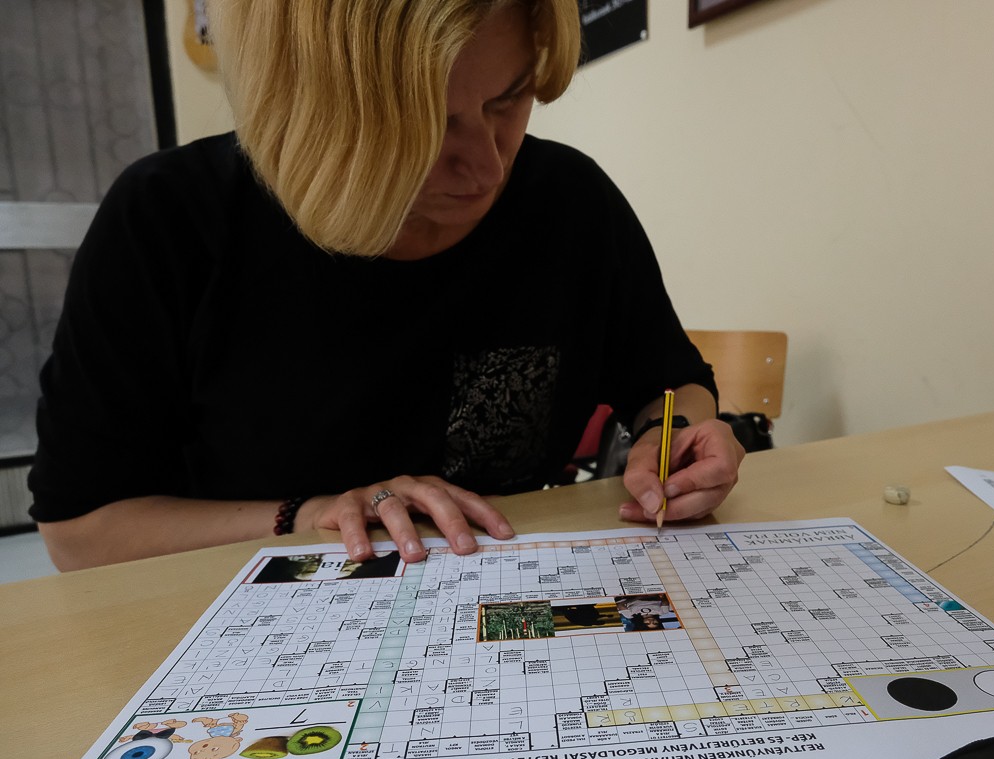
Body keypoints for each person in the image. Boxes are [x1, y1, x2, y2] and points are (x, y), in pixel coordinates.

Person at [29, 0, 744, 572]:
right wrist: (309, 515)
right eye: (425, 128)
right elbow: (79, 531)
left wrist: (675, 439)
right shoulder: (168, 220)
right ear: (305, 108)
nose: (487, 168)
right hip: (259, 634)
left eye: (509, 97)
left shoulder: (572, 202)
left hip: (515, 606)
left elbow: (669, 383)